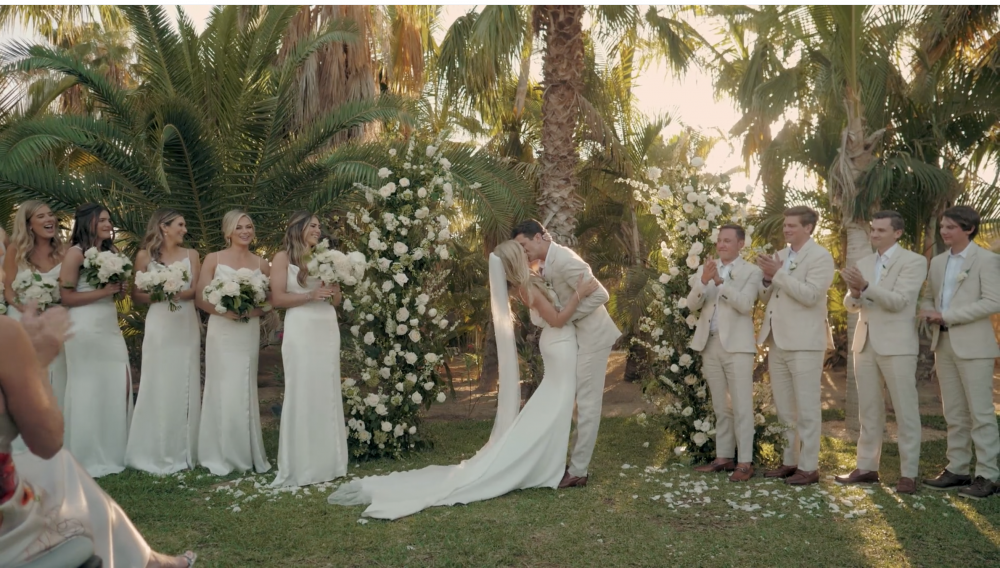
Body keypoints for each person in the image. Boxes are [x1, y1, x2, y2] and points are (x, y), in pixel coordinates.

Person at [328, 240, 600, 519]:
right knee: (556, 405)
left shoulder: (526, 285)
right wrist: (580, 294)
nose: (527, 251)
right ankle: (540, 464)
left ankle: (544, 461)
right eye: (522, 252)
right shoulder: (527, 288)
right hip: (560, 344)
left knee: (552, 405)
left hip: (559, 347)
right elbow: (556, 319)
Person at [1, 303, 196, 567]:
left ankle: (147, 559)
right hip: (7, 533)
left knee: (57, 469)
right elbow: (48, 442)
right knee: (58, 464)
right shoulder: (6, 335)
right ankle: (147, 561)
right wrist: (36, 362)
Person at [511, 220, 621, 488]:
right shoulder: (545, 264)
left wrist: (566, 318)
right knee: (573, 403)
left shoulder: (566, 260)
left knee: (587, 403)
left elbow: (601, 295)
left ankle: (579, 471)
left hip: (593, 337)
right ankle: (569, 462)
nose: (523, 252)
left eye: (524, 246)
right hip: (576, 338)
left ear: (538, 237)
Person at [836, 211, 927, 494]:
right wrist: (854, 293)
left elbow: (900, 301)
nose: (874, 235)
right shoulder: (863, 262)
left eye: (880, 231)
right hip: (864, 343)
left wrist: (865, 287)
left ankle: (908, 473)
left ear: (897, 233)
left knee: (905, 410)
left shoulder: (914, 261)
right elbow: (851, 304)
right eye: (872, 230)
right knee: (869, 409)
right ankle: (866, 467)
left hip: (898, 345)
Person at [919, 206, 1000, 499]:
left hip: (975, 346)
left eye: (950, 227)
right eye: (942, 226)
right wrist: (928, 311)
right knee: (953, 411)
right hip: (943, 343)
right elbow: (930, 296)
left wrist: (948, 315)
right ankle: (957, 469)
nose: (944, 231)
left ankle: (988, 476)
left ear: (968, 229)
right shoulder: (938, 262)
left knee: (980, 413)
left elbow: (993, 301)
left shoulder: (987, 260)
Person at [756, 206, 835, 486]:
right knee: (785, 408)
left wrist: (777, 274)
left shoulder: (821, 258)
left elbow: (811, 296)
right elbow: (769, 298)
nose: (786, 229)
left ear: (808, 228)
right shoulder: (780, 255)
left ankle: (809, 467)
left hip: (805, 342)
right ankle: (789, 462)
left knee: (807, 406)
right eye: (785, 225)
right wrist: (766, 278)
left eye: (792, 225)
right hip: (777, 340)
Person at [268, 211, 347, 487]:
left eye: (319, 226)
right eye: (312, 225)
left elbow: (335, 300)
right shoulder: (283, 258)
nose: (318, 229)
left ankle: (329, 461)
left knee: (325, 388)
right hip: (301, 327)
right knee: (302, 388)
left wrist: (332, 285)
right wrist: (310, 295)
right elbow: (277, 298)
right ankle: (300, 462)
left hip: (326, 326)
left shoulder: (325, 257)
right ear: (298, 228)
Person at [125, 209, 203, 474]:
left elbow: (198, 291)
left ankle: (185, 447)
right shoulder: (144, 256)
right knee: (157, 381)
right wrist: (160, 294)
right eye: (180, 224)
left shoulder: (192, 255)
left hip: (185, 324)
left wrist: (177, 291)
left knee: (185, 380)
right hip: (159, 324)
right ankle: (153, 447)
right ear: (164, 227)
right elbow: (136, 295)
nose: (184, 228)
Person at [196, 210, 271, 476]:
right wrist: (225, 312)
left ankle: (245, 451)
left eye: (249, 226)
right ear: (228, 231)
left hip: (246, 330)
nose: (245, 231)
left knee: (243, 385)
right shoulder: (213, 259)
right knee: (222, 385)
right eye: (239, 227)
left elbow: (269, 302)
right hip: (222, 329)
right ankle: (218, 451)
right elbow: (200, 297)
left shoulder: (262, 264)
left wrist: (250, 311)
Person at [60, 203, 132, 477]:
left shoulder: (111, 252)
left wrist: (118, 290)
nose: (108, 223)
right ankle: (86, 453)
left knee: (119, 382)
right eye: (102, 219)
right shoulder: (75, 254)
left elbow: (115, 293)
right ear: (88, 222)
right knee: (87, 387)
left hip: (108, 325)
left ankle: (114, 449)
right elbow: (66, 297)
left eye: (109, 218)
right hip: (84, 326)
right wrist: (105, 291)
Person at [686, 224, 762, 482]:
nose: (721, 245)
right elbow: (692, 304)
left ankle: (745, 463)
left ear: (741, 244)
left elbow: (746, 305)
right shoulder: (705, 269)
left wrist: (720, 283)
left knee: (742, 406)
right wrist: (704, 280)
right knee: (720, 405)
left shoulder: (751, 271)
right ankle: (724, 457)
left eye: (727, 241)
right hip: (710, 344)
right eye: (719, 240)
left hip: (738, 347)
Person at [3, 201, 68, 410]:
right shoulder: (15, 251)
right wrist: (28, 309)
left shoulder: (64, 251)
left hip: (55, 324)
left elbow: (69, 289)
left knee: (57, 376)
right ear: (29, 224)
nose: (49, 220)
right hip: (24, 322)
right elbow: (9, 291)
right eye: (41, 217)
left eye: (50, 215)